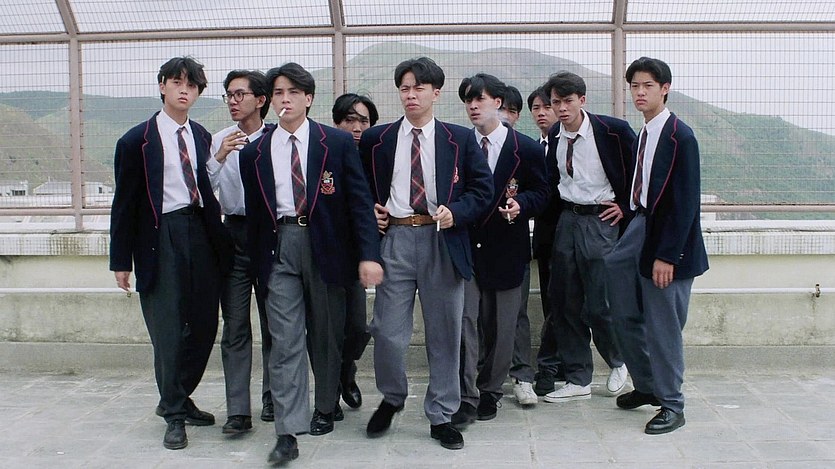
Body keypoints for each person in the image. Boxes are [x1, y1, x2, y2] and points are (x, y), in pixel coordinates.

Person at [239, 62, 383, 464]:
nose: (285, 100)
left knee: (327, 333)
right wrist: (259, 263)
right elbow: (255, 215)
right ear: (270, 100)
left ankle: (325, 405)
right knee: (284, 340)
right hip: (279, 248)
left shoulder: (335, 143)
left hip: (327, 246)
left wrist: (369, 255)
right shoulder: (254, 153)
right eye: (278, 93)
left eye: (293, 92)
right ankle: (288, 431)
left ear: (308, 98)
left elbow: (359, 203)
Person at [359, 57, 493, 450]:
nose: (411, 95)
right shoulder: (377, 140)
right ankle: (392, 396)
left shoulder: (459, 138)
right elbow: (360, 189)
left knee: (445, 332)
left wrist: (457, 212)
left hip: (442, 239)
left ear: (436, 93)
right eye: (404, 88)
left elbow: (483, 189)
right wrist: (371, 211)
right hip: (395, 239)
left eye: (419, 87)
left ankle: (442, 414)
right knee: (387, 330)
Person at [110, 56, 232, 450]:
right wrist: (120, 261)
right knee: (167, 330)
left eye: (192, 85)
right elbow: (123, 204)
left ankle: (176, 397)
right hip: (159, 236)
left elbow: (206, 182)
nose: (184, 90)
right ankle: (175, 414)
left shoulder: (200, 135)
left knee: (204, 325)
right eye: (177, 82)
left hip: (200, 232)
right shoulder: (135, 141)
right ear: (162, 85)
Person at [605, 57, 708, 434]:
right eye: (634, 86)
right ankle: (647, 384)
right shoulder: (644, 132)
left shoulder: (681, 136)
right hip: (639, 225)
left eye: (647, 85)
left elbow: (685, 203)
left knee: (663, 324)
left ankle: (672, 404)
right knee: (621, 308)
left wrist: (668, 256)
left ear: (665, 89)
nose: (639, 92)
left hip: (669, 238)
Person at [453, 73, 549, 426]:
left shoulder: (526, 148)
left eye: (479, 99)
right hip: (466, 247)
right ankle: (466, 392)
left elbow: (543, 192)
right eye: (468, 100)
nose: (473, 106)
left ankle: (491, 390)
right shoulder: (458, 144)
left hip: (507, 247)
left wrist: (522, 204)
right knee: (466, 321)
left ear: (498, 102)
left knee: (503, 325)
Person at [539, 71, 635, 404]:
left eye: (568, 101)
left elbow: (638, 172)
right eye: (556, 102)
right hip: (568, 218)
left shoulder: (612, 131)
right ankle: (578, 377)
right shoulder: (555, 134)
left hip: (601, 220)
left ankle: (619, 360)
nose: (561, 109)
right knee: (565, 301)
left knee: (600, 301)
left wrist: (626, 207)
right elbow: (552, 181)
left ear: (582, 100)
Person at [207, 69, 274, 434]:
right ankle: (237, 411)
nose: (232, 102)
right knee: (234, 325)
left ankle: (273, 397)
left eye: (239, 95)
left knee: (275, 322)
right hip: (232, 234)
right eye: (228, 95)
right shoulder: (219, 140)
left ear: (260, 100)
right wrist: (218, 157)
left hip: (269, 235)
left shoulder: (276, 139)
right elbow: (204, 189)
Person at [331, 92, 380, 411]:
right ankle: (331, 388)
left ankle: (346, 370)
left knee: (358, 326)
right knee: (327, 325)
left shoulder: (376, 156)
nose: (357, 127)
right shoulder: (326, 153)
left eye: (364, 121)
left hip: (362, 254)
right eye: (350, 120)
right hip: (331, 250)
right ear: (337, 123)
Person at [525, 86, 564, 396]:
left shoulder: (569, 144)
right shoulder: (535, 148)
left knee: (566, 303)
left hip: (572, 234)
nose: (541, 113)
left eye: (546, 106)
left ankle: (551, 365)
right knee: (551, 302)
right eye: (536, 108)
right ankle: (556, 364)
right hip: (546, 237)